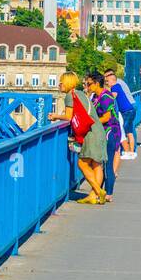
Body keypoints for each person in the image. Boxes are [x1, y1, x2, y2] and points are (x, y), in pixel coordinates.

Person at [47, 72, 106, 204]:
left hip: (90, 134)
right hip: (98, 130)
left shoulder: (69, 96)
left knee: (82, 163)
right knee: (96, 164)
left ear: (67, 82)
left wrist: (55, 116)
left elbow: (68, 117)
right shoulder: (80, 93)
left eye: (61, 82)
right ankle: (94, 196)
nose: (59, 84)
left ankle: (98, 191)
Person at [86, 71, 122, 203]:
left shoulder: (106, 96)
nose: (87, 86)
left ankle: (109, 193)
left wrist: (91, 122)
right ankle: (98, 190)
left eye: (89, 84)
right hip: (102, 132)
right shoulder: (95, 97)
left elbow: (106, 117)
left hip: (110, 132)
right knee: (99, 163)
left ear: (96, 83)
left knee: (107, 164)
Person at [106, 69, 139, 161]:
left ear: (113, 80)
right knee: (128, 131)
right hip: (128, 110)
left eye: (108, 81)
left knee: (128, 131)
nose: (107, 83)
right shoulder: (118, 85)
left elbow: (112, 97)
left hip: (127, 111)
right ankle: (130, 151)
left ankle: (131, 152)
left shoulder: (115, 87)